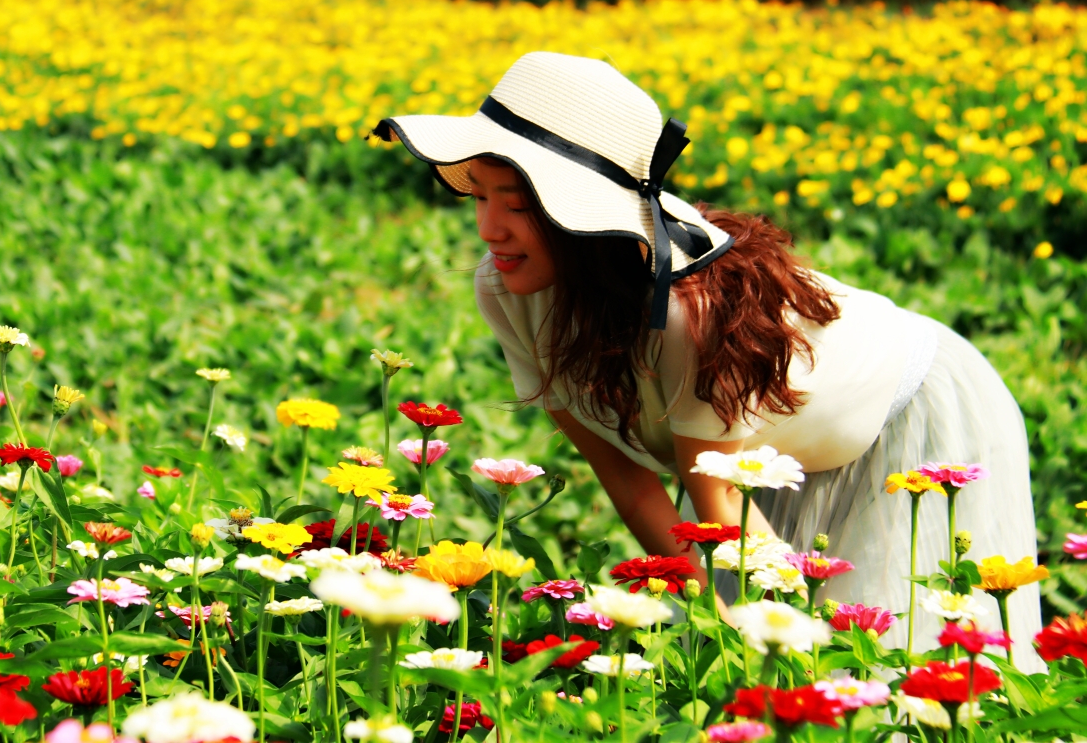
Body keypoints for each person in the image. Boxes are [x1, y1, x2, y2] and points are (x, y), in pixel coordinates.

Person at [375, 50, 1041, 663]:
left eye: (517, 205)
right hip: (762, 462)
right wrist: (716, 620)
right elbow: (630, 484)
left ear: (582, 218)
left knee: (902, 661)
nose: (489, 228)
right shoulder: (504, 287)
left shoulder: (684, 313)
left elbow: (716, 514)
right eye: (479, 194)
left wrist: (741, 628)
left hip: (908, 415)